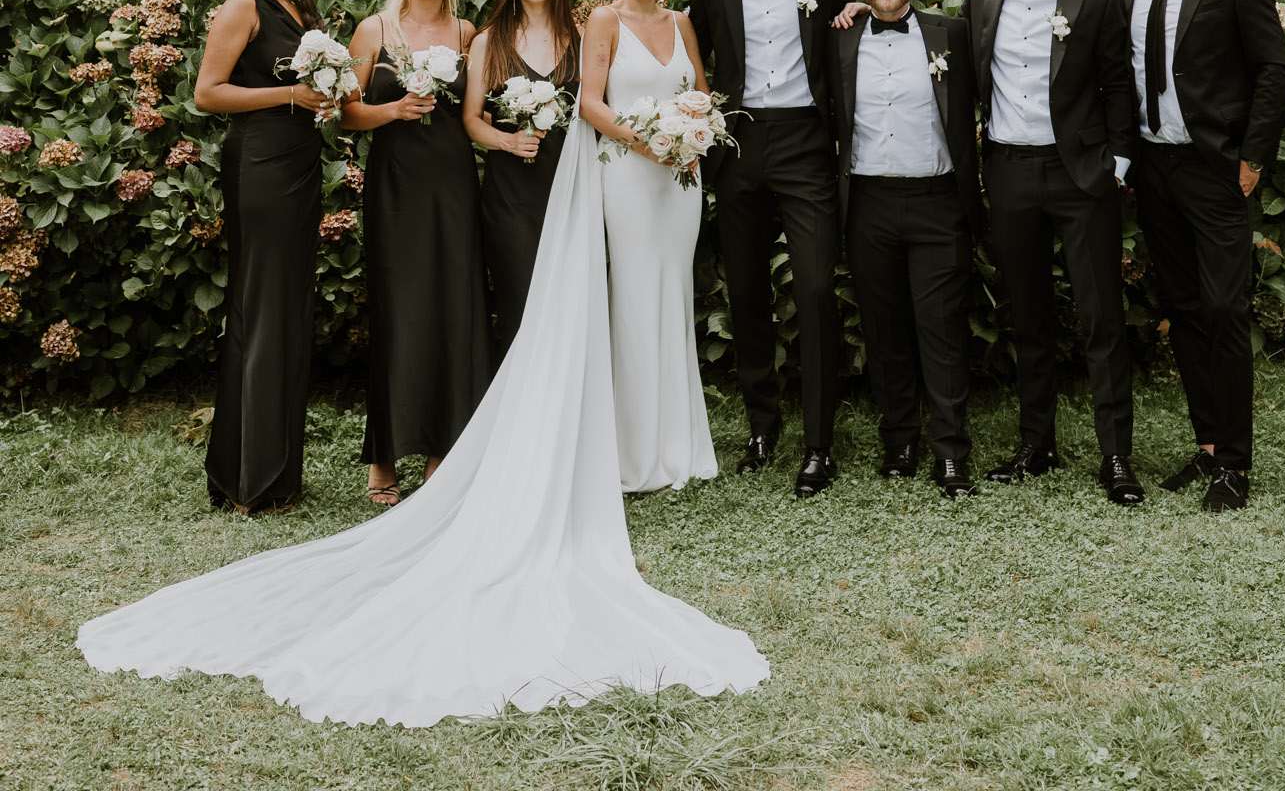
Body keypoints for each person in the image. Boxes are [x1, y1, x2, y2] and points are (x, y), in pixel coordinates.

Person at [78, 108, 769, 723]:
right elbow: (380, 114)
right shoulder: (434, 31)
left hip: (534, 186)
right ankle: (406, 454)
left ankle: (508, 446)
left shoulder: (505, 35)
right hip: (438, 183)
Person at [1118, 0, 1285, 512]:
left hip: (1215, 167)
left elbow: (1274, 67)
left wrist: (1251, 158)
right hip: (1154, 172)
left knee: (1224, 309)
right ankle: (1208, 447)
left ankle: (1236, 466)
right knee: (1185, 310)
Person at [963, 0, 1143, 506]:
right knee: (1028, 314)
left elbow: (1120, 82)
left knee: (1100, 316)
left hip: (1080, 175)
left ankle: (1116, 456)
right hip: (1010, 173)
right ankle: (1035, 445)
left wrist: (1116, 164)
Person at [687, 0, 855, 497]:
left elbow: (846, 34)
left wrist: (855, 12)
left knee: (814, 288)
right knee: (748, 290)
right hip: (739, 141)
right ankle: (763, 423)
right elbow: (695, 56)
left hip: (807, 140)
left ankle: (819, 440)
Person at [343, 0, 491, 509]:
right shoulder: (372, 30)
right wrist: (394, 109)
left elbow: (474, 114)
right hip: (395, 183)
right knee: (397, 308)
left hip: (452, 182)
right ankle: (383, 454)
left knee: (452, 308)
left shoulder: (466, 32)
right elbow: (344, 114)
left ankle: (439, 450)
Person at [831, 0, 981, 498]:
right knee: (884, 327)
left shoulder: (953, 35)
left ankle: (950, 451)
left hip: (937, 200)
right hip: (867, 202)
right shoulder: (838, 39)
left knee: (940, 327)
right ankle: (899, 441)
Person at [194, 0, 328, 514]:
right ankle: (245, 476)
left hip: (300, 167)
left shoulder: (306, 10)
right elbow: (208, 93)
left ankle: (278, 474)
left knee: (289, 309)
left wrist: (324, 101)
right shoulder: (244, 5)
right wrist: (292, 95)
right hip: (260, 168)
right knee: (261, 308)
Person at [579, 0, 718, 493]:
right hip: (630, 179)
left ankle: (678, 444)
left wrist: (692, 135)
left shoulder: (682, 22)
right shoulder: (604, 20)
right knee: (635, 299)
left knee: (673, 295)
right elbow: (589, 102)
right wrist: (648, 144)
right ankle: (633, 454)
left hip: (680, 181)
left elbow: (702, 96)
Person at [463, 0, 580, 350]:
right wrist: (508, 142)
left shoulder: (580, 37)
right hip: (511, 195)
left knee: (569, 302)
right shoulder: (488, 41)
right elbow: (471, 121)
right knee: (520, 299)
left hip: (570, 190)